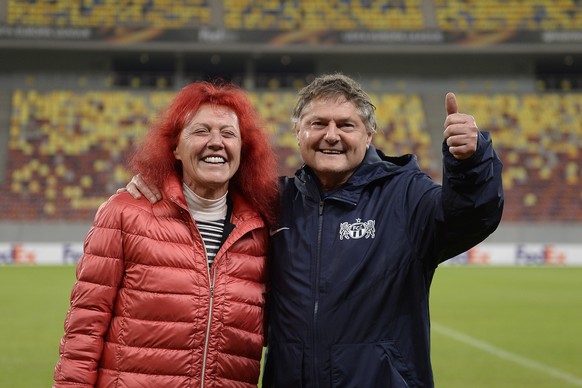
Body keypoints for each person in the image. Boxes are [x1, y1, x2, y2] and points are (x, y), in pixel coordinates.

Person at [124, 73, 504, 387]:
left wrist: (470, 164)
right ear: (298, 132)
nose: (332, 135)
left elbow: (469, 217)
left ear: (368, 136)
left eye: (346, 125)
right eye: (318, 124)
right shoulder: (274, 200)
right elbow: (206, 179)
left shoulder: (404, 195)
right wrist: (158, 178)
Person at [53, 81, 279, 387]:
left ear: (243, 149)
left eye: (228, 133)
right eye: (201, 131)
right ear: (174, 147)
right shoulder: (126, 213)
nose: (216, 142)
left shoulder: (263, 229)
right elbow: (85, 329)